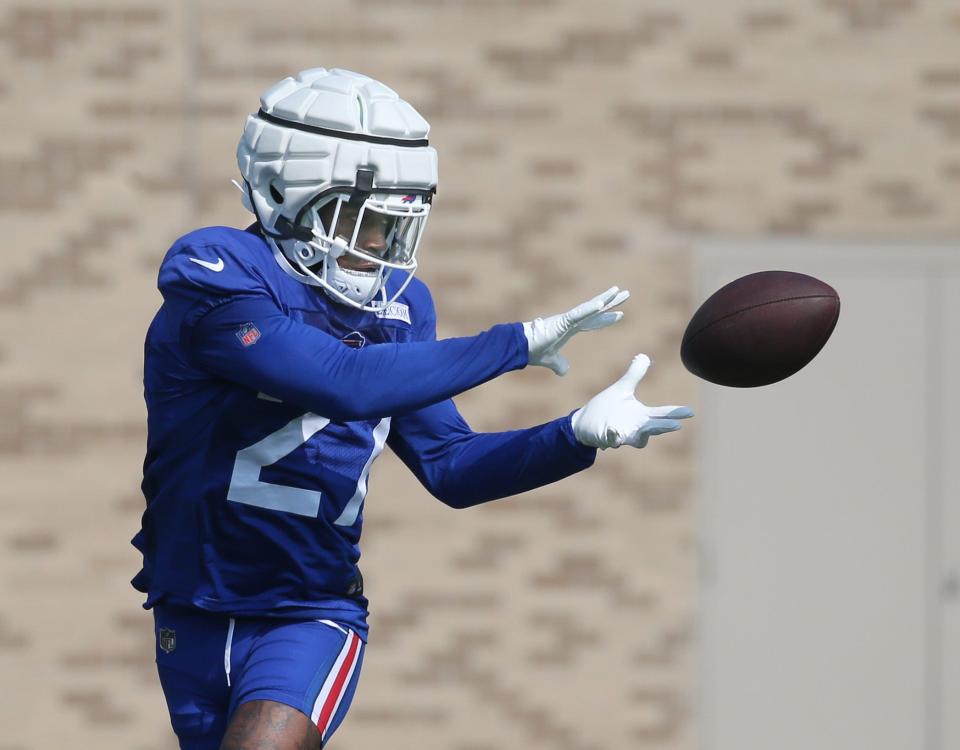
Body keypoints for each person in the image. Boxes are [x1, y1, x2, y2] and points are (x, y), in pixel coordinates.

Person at [133, 67, 693, 750]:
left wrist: (573, 436)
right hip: (191, 601)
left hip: (310, 610)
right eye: (358, 217)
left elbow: (450, 466)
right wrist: (516, 343)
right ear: (285, 193)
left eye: (392, 222)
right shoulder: (217, 270)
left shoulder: (401, 304)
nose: (377, 243)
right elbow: (341, 379)